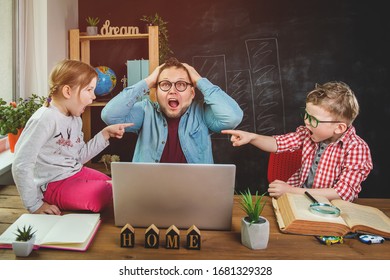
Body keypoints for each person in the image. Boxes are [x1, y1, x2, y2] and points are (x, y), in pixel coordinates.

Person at [12, 59, 132, 215]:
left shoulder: (75, 118)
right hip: (52, 184)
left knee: (118, 183)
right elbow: (21, 164)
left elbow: (79, 157)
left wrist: (105, 134)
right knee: (102, 195)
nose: (93, 96)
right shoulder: (44, 119)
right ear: (68, 91)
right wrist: (34, 204)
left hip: (75, 172)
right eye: (89, 90)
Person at [222, 81, 373, 202]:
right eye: (306, 115)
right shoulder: (307, 134)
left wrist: (291, 190)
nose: (306, 121)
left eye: (313, 119)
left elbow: (342, 193)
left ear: (339, 128)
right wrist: (252, 137)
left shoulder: (356, 149)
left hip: (331, 208)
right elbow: (278, 143)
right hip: (298, 201)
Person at [101, 57, 243, 163]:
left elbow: (232, 118)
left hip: (194, 194)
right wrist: (149, 80)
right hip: (150, 194)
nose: (172, 91)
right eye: (165, 84)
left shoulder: (202, 112)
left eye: (181, 84)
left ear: (192, 93)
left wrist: (199, 80)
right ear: (156, 93)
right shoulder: (146, 111)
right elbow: (110, 116)